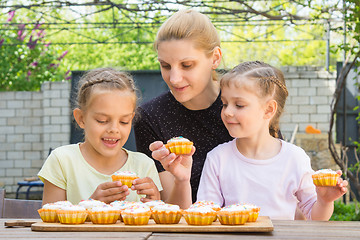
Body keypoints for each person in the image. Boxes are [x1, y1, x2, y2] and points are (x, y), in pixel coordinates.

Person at [196, 61, 348, 220]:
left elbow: (315, 218)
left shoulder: (294, 158)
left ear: (269, 110)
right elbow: (206, 213)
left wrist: (324, 202)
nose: (227, 112)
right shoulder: (217, 158)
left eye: (239, 105)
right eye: (225, 104)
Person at [133, 9, 232, 209]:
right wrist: (180, 179)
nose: (174, 78)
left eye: (187, 65)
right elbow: (171, 208)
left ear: (215, 58)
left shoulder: (249, 104)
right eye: (166, 66)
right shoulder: (150, 117)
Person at [38, 68, 162, 205]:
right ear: (81, 118)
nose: (114, 129)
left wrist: (154, 203)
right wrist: (91, 205)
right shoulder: (62, 161)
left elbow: (154, 221)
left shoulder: (144, 165)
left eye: (124, 122)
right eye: (102, 120)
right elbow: (49, 222)